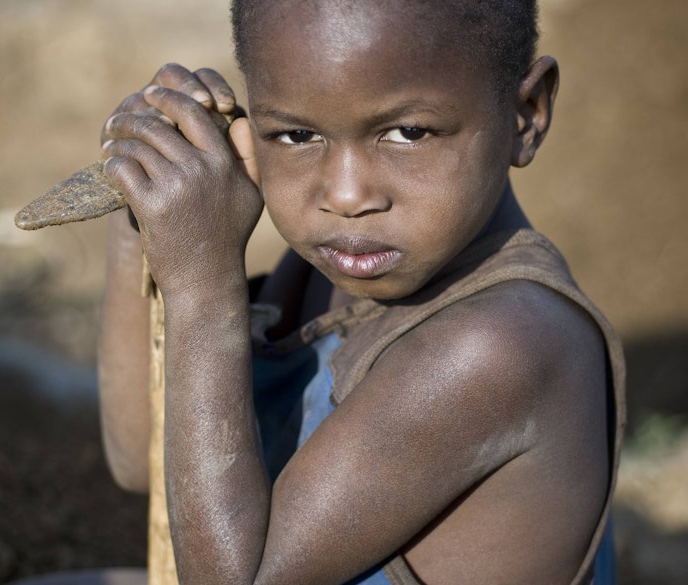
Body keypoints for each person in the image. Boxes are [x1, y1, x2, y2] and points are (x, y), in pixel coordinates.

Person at [96, 1, 626, 584]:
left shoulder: (503, 343)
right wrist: (140, 212)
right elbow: (141, 463)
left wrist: (201, 282)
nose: (346, 196)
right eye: (298, 134)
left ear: (525, 114)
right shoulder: (327, 273)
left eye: (408, 132)